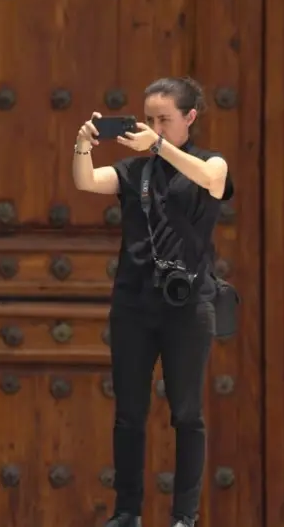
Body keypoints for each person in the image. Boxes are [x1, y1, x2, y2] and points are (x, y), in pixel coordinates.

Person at [72, 77, 234, 527]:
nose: (153, 126)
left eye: (164, 119)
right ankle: (128, 512)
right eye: (148, 119)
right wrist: (82, 145)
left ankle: (185, 516)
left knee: (186, 413)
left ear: (190, 118)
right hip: (134, 303)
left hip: (188, 306)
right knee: (129, 413)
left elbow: (212, 181)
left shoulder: (209, 162)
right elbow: (86, 182)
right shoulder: (133, 172)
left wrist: (159, 145)